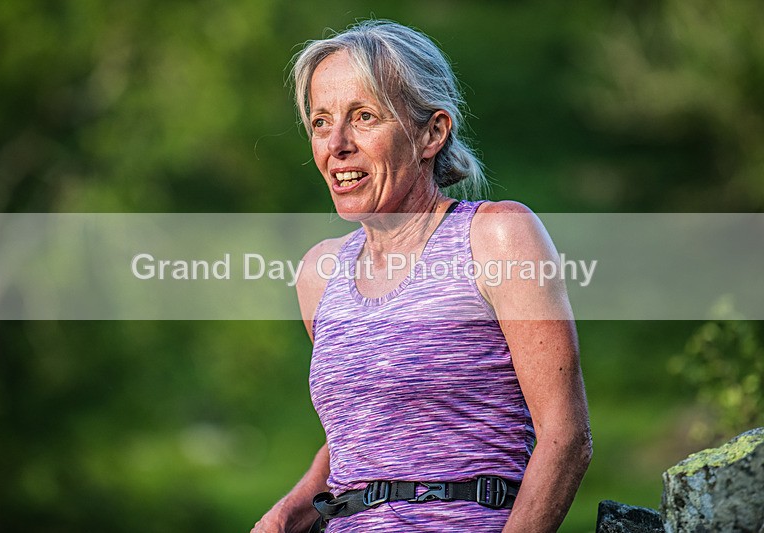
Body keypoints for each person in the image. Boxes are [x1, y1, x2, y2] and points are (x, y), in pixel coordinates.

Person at [253, 20, 591, 532]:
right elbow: (361, 433)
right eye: (321, 122)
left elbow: (566, 437)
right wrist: (289, 510)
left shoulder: (497, 236)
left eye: (363, 116)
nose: (337, 144)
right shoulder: (319, 273)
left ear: (432, 132)